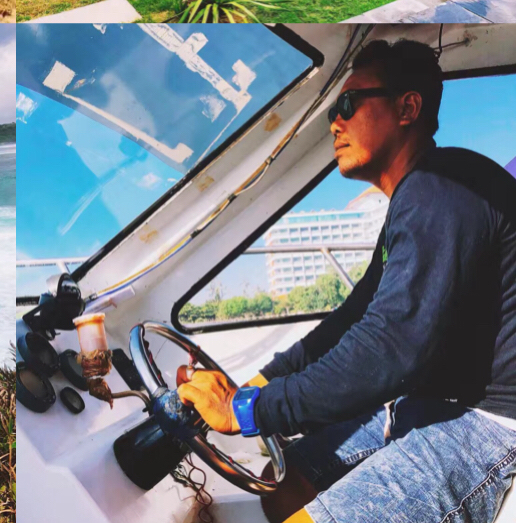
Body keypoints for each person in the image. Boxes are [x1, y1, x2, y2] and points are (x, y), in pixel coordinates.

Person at [177, 40, 516, 523]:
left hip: (491, 421)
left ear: (407, 108)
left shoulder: (439, 188)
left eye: (349, 104)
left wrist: (245, 411)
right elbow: (347, 323)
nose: (335, 122)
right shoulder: (417, 197)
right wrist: (245, 390)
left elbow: (389, 349)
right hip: (429, 398)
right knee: (284, 479)